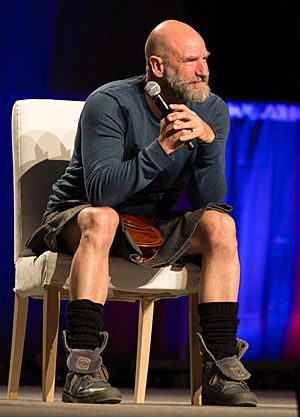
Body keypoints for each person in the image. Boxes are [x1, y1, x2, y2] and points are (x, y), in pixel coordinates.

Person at [26, 19, 257, 407]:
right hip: (78, 216)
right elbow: (102, 193)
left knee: (220, 224)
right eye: (191, 60)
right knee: (103, 218)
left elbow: (208, 199)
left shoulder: (211, 108)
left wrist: (209, 144)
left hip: (147, 226)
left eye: (205, 58)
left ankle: (220, 367)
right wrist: (161, 148)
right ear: (157, 66)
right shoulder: (110, 102)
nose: (204, 70)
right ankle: (83, 368)